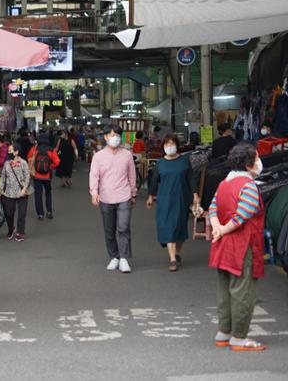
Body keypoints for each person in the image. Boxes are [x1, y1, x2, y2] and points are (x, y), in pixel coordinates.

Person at [208, 143, 266, 351]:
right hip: (242, 244)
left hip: (222, 245)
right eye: (257, 157)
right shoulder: (249, 186)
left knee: (224, 289)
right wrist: (223, 229)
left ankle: (223, 332)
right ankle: (239, 337)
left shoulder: (224, 183)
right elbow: (243, 214)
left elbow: (212, 207)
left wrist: (217, 228)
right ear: (250, 163)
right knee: (243, 291)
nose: (259, 161)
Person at [147, 134, 200, 272]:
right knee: (168, 226)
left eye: (172, 144)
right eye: (167, 144)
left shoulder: (184, 161)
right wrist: (151, 196)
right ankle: (172, 259)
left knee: (179, 227)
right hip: (164, 199)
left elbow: (191, 179)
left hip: (182, 198)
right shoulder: (160, 163)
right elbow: (154, 181)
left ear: (177, 146)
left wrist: (195, 195)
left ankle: (177, 253)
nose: (169, 147)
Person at [89, 124, 137, 274]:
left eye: (117, 135)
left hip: (124, 196)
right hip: (106, 197)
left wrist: (133, 193)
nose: (114, 138)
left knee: (123, 227)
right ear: (105, 137)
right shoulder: (98, 156)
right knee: (109, 230)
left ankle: (123, 258)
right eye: (111, 135)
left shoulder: (127, 155)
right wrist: (94, 193)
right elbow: (94, 175)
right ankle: (114, 257)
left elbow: (132, 175)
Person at [0, 143, 31, 242]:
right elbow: (3, 178)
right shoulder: (6, 163)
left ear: (16, 152)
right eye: (8, 151)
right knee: (9, 213)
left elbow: (28, 176)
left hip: (22, 192)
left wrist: (24, 188)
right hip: (8, 192)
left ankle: (20, 232)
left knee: (22, 214)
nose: (8, 152)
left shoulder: (23, 162)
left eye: (10, 151)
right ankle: (11, 228)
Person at [27, 134, 60, 220]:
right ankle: (49, 212)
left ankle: (40, 214)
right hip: (47, 176)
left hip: (37, 176)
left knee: (38, 194)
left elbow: (29, 159)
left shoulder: (34, 149)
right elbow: (57, 162)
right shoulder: (51, 150)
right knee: (48, 193)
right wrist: (50, 167)